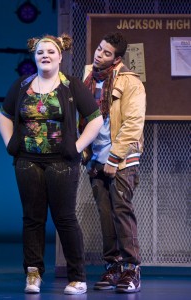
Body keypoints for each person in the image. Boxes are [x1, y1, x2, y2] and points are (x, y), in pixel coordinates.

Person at [0, 33, 103, 295]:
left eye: (50, 52)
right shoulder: (22, 86)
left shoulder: (71, 86)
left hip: (61, 162)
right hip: (28, 162)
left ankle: (77, 278)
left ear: (60, 56)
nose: (45, 56)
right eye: (40, 52)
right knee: (32, 219)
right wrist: (11, 143)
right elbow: (4, 115)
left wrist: (76, 147)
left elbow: (95, 119)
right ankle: (33, 275)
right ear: (34, 57)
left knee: (64, 218)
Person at [80, 32, 146, 293]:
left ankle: (132, 269)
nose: (99, 54)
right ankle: (113, 267)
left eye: (107, 53)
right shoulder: (88, 78)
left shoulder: (130, 82)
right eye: (99, 49)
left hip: (121, 159)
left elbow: (132, 124)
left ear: (117, 58)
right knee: (105, 215)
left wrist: (114, 157)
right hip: (96, 156)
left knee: (121, 212)